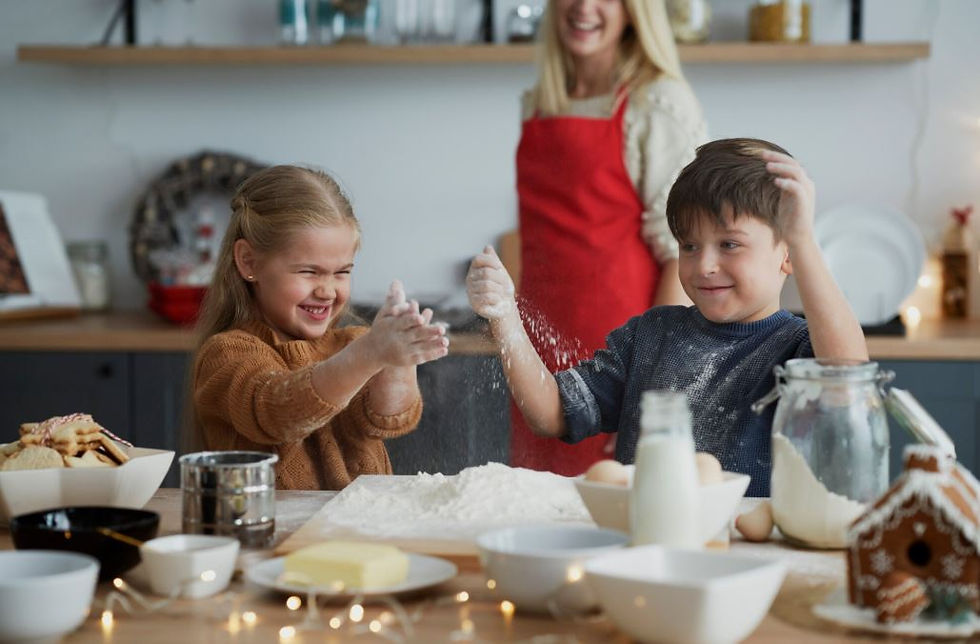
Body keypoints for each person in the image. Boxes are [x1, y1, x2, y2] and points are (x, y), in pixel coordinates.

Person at [468, 138, 868, 496]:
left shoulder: (796, 350)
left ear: (786, 256)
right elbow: (550, 414)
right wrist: (506, 319)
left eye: (729, 244)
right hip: (648, 544)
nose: (705, 264)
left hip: (752, 552)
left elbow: (847, 372)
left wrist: (802, 240)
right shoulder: (650, 336)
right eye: (689, 246)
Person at [512, 0, 707, 475]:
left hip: (618, 360)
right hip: (536, 350)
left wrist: (649, 389)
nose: (584, 7)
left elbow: (683, 257)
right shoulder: (539, 101)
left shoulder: (658, 102)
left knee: (612, 518)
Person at [191, 165, 449, 490]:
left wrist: (397, 362)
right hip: (272, 536)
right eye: (309, 272)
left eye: (341, 272)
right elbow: (277, 412)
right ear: (248, 262)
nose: (328, 290)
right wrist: (368, 355)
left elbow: (386, 418)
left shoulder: (352, 344)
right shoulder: (226, 355)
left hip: (357, 534)